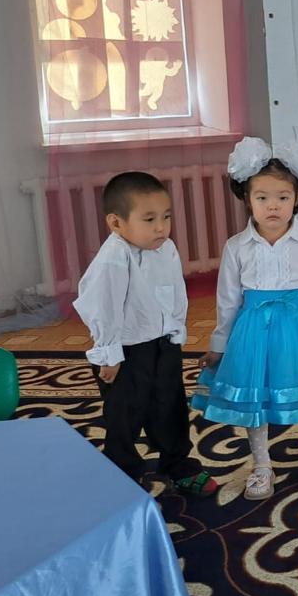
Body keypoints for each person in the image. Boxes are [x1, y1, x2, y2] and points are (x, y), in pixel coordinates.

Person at [192, 137, 298, 500]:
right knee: (255, 397)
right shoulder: (236, 246)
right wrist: (218, 345)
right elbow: (228, 300)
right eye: (262, 198)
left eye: (282, 197)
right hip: (253, 332)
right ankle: (262, 465)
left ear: (297, 199)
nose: (273, 206)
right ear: (248, 199)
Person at [74, 171, 217, 495]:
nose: (161, 227)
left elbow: (175, 292)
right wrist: (109, 354)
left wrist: (176, 330)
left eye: (166, 217)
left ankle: (177, 463)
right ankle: (123, 470)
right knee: (126, 412)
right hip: (126, 352)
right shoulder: (114, 258)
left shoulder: (166, 249)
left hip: (162, 343)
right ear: (116, 223)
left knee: (170, 404)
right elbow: (103, 307)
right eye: (149, 219)